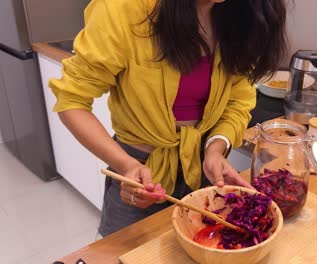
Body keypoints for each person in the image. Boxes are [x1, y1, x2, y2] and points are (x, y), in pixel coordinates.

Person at [49, 0, 288, 237]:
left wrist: (215, 148)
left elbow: (238, 101)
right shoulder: (124, 9)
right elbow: (72, 102)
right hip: (141, 172)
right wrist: (127, 165)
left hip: (204, 168)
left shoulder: (240, 14)